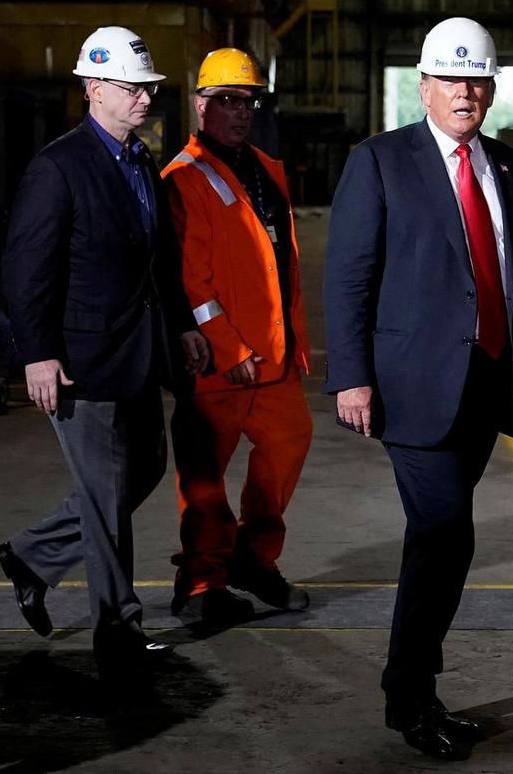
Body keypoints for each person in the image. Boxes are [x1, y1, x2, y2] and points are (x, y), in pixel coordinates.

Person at [324, 16, 513, 761]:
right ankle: (410, 695)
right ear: (424, 84)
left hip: (486, 382)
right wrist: (349, 374)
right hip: (411, 388)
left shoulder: (510, 169)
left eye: (477, 79)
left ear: (492, 87)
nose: (465, 92)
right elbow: (347, 278)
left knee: (441, 539)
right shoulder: (379, 162)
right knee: (446, 534)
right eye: (451, 78)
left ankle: (413, 688)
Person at [0, 26, 208, 684]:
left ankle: (31, 555)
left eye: (147, 87)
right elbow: (25, 266)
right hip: (79, 361)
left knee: (140, 468)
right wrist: (36, 354)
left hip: (137, 352)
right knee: (104, 496)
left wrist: (179, 324)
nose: (144, 97)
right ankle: (118, 632)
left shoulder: (140, 158)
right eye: (130, 87)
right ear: (94, 89)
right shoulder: (60, 167)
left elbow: (159, 262)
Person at [160, 48, 313, 625]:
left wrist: (294, 339)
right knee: (203, 476)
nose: (239, 112)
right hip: (222, 361)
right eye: (226, 101)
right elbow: (189, 280)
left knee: (288, 444)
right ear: (201, 106)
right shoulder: (184, 178)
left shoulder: (266, 169)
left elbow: (280, 263)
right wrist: (227, 347)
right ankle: (201, 583)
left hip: (273, 357)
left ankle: (253, 559)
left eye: (247, 101)